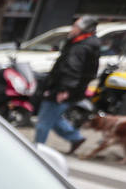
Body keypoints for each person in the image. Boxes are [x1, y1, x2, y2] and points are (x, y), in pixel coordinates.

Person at [35, 15, 102, 154]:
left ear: (85, 29)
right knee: (53, 117)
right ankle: (75, 138)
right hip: (72, 89)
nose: (73, 29)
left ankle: (37, 150)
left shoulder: (81, 47)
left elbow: (72, 70)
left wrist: (63, 90)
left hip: (63, 89)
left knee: (44, 121)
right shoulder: (83, 43)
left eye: (76, 27)